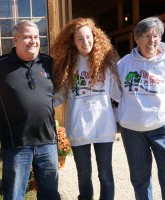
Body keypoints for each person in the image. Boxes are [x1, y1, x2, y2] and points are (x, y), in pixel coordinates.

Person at [117, 16, 165, 200]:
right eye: (146, 36)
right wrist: (126, 113)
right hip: (132, 130)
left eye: (156, 35)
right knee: (140, 179)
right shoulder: (124, 63)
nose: (152, 41)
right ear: (137, 39)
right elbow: (115, 92)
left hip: (163, 129)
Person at [0, 20, 61, 200]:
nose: (33, 41)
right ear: (15, 40)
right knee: (14, 194)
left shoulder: (48, 62)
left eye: (36, 37)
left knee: (50, 194)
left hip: (47, 141)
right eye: (27, 37)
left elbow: (60, 92)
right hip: (16, 145)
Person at [51, 18, 121, 200]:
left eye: (88, 37)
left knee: (105, 175)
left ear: (95, 37)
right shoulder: (68, 66)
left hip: (103, 127)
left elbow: (119, 95)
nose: (85, 42)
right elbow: (58, 97)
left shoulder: (106, 63)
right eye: (79, 39)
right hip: (78, 128)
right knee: (83, 176)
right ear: (73, 42)